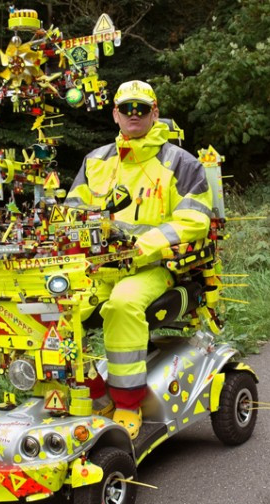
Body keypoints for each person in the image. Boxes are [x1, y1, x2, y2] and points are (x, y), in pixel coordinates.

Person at [65, 80, 213, 439]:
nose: (134, 115)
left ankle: (128, 404)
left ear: (155, 113)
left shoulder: (180, 162)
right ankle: (94, 392)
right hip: (99, 268)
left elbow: (196, 219)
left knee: (121, 306)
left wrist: (145, 245)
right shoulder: (95, 161)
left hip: (153, 268)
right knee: (56, 310)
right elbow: (71, 213)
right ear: (115, 113)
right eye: (127, 108)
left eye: (141, 109)